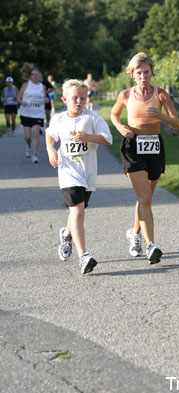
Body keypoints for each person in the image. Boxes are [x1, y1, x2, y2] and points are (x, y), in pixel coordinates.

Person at [111, 52, 179, 264]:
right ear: (132, 74)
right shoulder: (125, 95)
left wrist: (160, 115)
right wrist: (120, 127)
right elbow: (114, 115)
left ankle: (135, 234)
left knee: (145, 197)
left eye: (146, 72)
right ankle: (152, 246)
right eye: (139, 73)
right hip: (133, 147)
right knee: (145, 199)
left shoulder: (161, 96)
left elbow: (177, 124)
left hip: (154, 146)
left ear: (152, 73)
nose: (143, 76)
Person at [46, 79, 112, 274]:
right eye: (75, 98)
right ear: (65, 98)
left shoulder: (92, 118)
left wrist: (88, 137)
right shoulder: (58, 119)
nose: (79, 102)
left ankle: (66, 236)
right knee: (78, 212)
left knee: (78, 211)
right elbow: (50, 135)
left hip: (88, 173)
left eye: (82, 98)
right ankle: (83, 256)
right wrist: (51, 149)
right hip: (68, 171)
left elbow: (108, 138)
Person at [17, 63, 47, 163]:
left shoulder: (42, 87)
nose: (34, 76)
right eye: (33, 74)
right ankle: (29, 145)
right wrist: (22, 102)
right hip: (26, 113)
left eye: (36, 74)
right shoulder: (26, 85)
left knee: (36, 134)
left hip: (38, 113)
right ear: (30, 76)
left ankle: (35, 155)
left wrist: (46, 99)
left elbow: (45, 98)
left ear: (39, 76)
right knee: (28, 136)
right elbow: (18, 97)